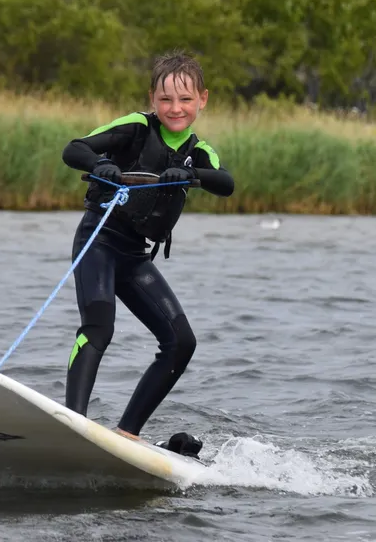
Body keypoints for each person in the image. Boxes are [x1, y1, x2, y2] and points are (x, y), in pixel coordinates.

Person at [60, 51, 234, 452]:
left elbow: (224, 182)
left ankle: (126, 433)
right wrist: (100, 164)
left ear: (202, 100)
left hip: (135, 256)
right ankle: (74, 422)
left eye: (186, 100)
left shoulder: (198, 149)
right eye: (166, 99)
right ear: (153, 98)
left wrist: (190, 173)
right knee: (99, 326)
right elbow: (74, 149)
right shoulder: (135, 128)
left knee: (181, 342)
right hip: (98, 242)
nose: (176, 108)